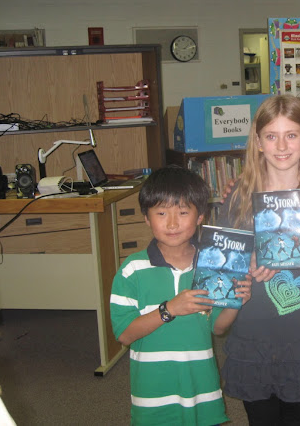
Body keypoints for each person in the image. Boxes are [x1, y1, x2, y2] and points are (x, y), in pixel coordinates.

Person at [219, 95, 300, 426]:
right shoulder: (238, 197)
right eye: (271, 136)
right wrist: (246, 261)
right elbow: (222, 269)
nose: (282, 146)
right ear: (258, 142)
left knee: (298, 419)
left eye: (291, 135)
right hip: (251, 333)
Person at [110, 166, 252, 426]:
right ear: (146, 217)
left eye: (183, 212)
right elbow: (124, 334)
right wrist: (169, 309)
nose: (173, 223)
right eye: (161, 213)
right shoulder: (132, 270)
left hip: (202, 389)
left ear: (200, 217)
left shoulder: (211, 268)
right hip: (153, 395)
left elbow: (218, 328)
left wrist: (235, 304)